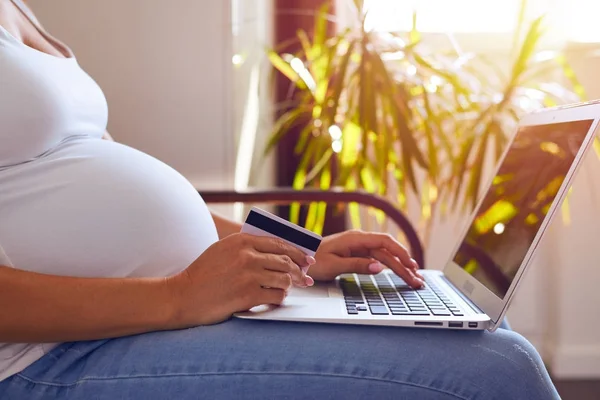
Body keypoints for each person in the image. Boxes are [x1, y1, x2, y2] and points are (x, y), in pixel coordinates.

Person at [0, 0, 560, 398]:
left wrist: (300, 249)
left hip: (152, 315)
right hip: (45, 357)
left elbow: (100, 169)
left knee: (481, 331)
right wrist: (177, 297)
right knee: (495, 371)